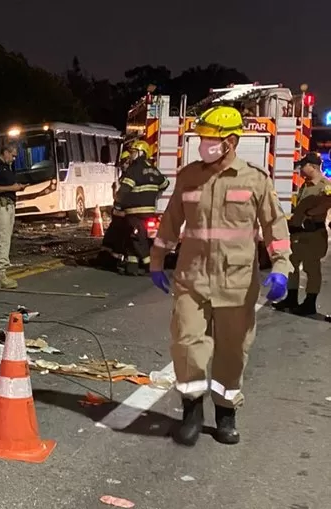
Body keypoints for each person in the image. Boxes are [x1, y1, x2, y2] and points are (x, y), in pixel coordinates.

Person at [149, 105, 292, 447]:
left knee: (232, 351)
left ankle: (226, 413)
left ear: (230, 141)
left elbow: (275, 227)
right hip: (192, 278)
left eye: (210, 139)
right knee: (186, 345)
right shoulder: (188, 176)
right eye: (201, 138)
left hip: (237, 283)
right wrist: (157, 259)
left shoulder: (255, 179)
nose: (203, 144)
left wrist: (281, 268)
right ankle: (192, 410)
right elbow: (170, 222)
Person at [273, 152, 331, 315]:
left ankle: (309, 302)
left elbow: (328, 202)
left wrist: (311, 214)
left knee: (311, 268)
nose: (300, 170)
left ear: (312, 166)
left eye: (303, 166)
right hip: (299, 234)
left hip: (313, 234)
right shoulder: (306, 185)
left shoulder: (324, 185)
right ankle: (291, 298)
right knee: (292, 266)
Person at [115, 140, 168, 275]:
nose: (131, 155)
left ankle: (150, 265)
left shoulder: (134, 170)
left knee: (138, 239)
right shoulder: (153, 169)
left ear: (141, 153)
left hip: (134, 211)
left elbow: (124, 190)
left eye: (133, 152)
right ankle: (131, 267)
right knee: (133, 237)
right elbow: (165, 183)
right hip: (149, 211)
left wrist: (117, 204)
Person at [0, 144, 27, 289]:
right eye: (13, 155)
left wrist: (17, 187)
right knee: (2, 239)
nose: (14, 159)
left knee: (6, 238)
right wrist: (12, 188)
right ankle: (2, 274)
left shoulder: (7, 167)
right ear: (5, 152)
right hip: (1, 205)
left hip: (9, 205)